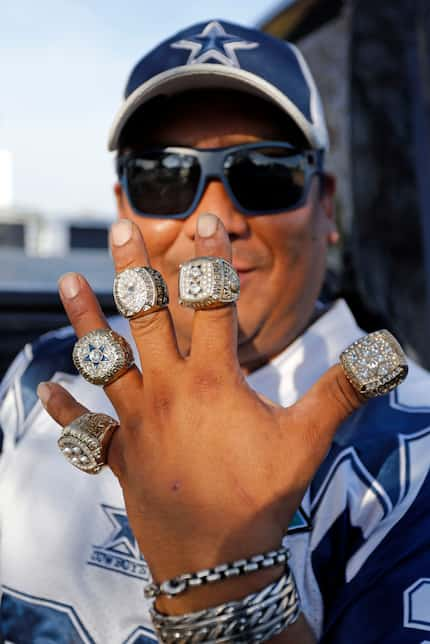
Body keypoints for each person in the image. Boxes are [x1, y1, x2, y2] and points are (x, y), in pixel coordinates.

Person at [1, 18, 429, 644]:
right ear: (125, 208)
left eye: (264, 172)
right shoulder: (45, 373)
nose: (215, 219)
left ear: (327, 206)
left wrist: (225, 588)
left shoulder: (411, 451)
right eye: (165, 175)